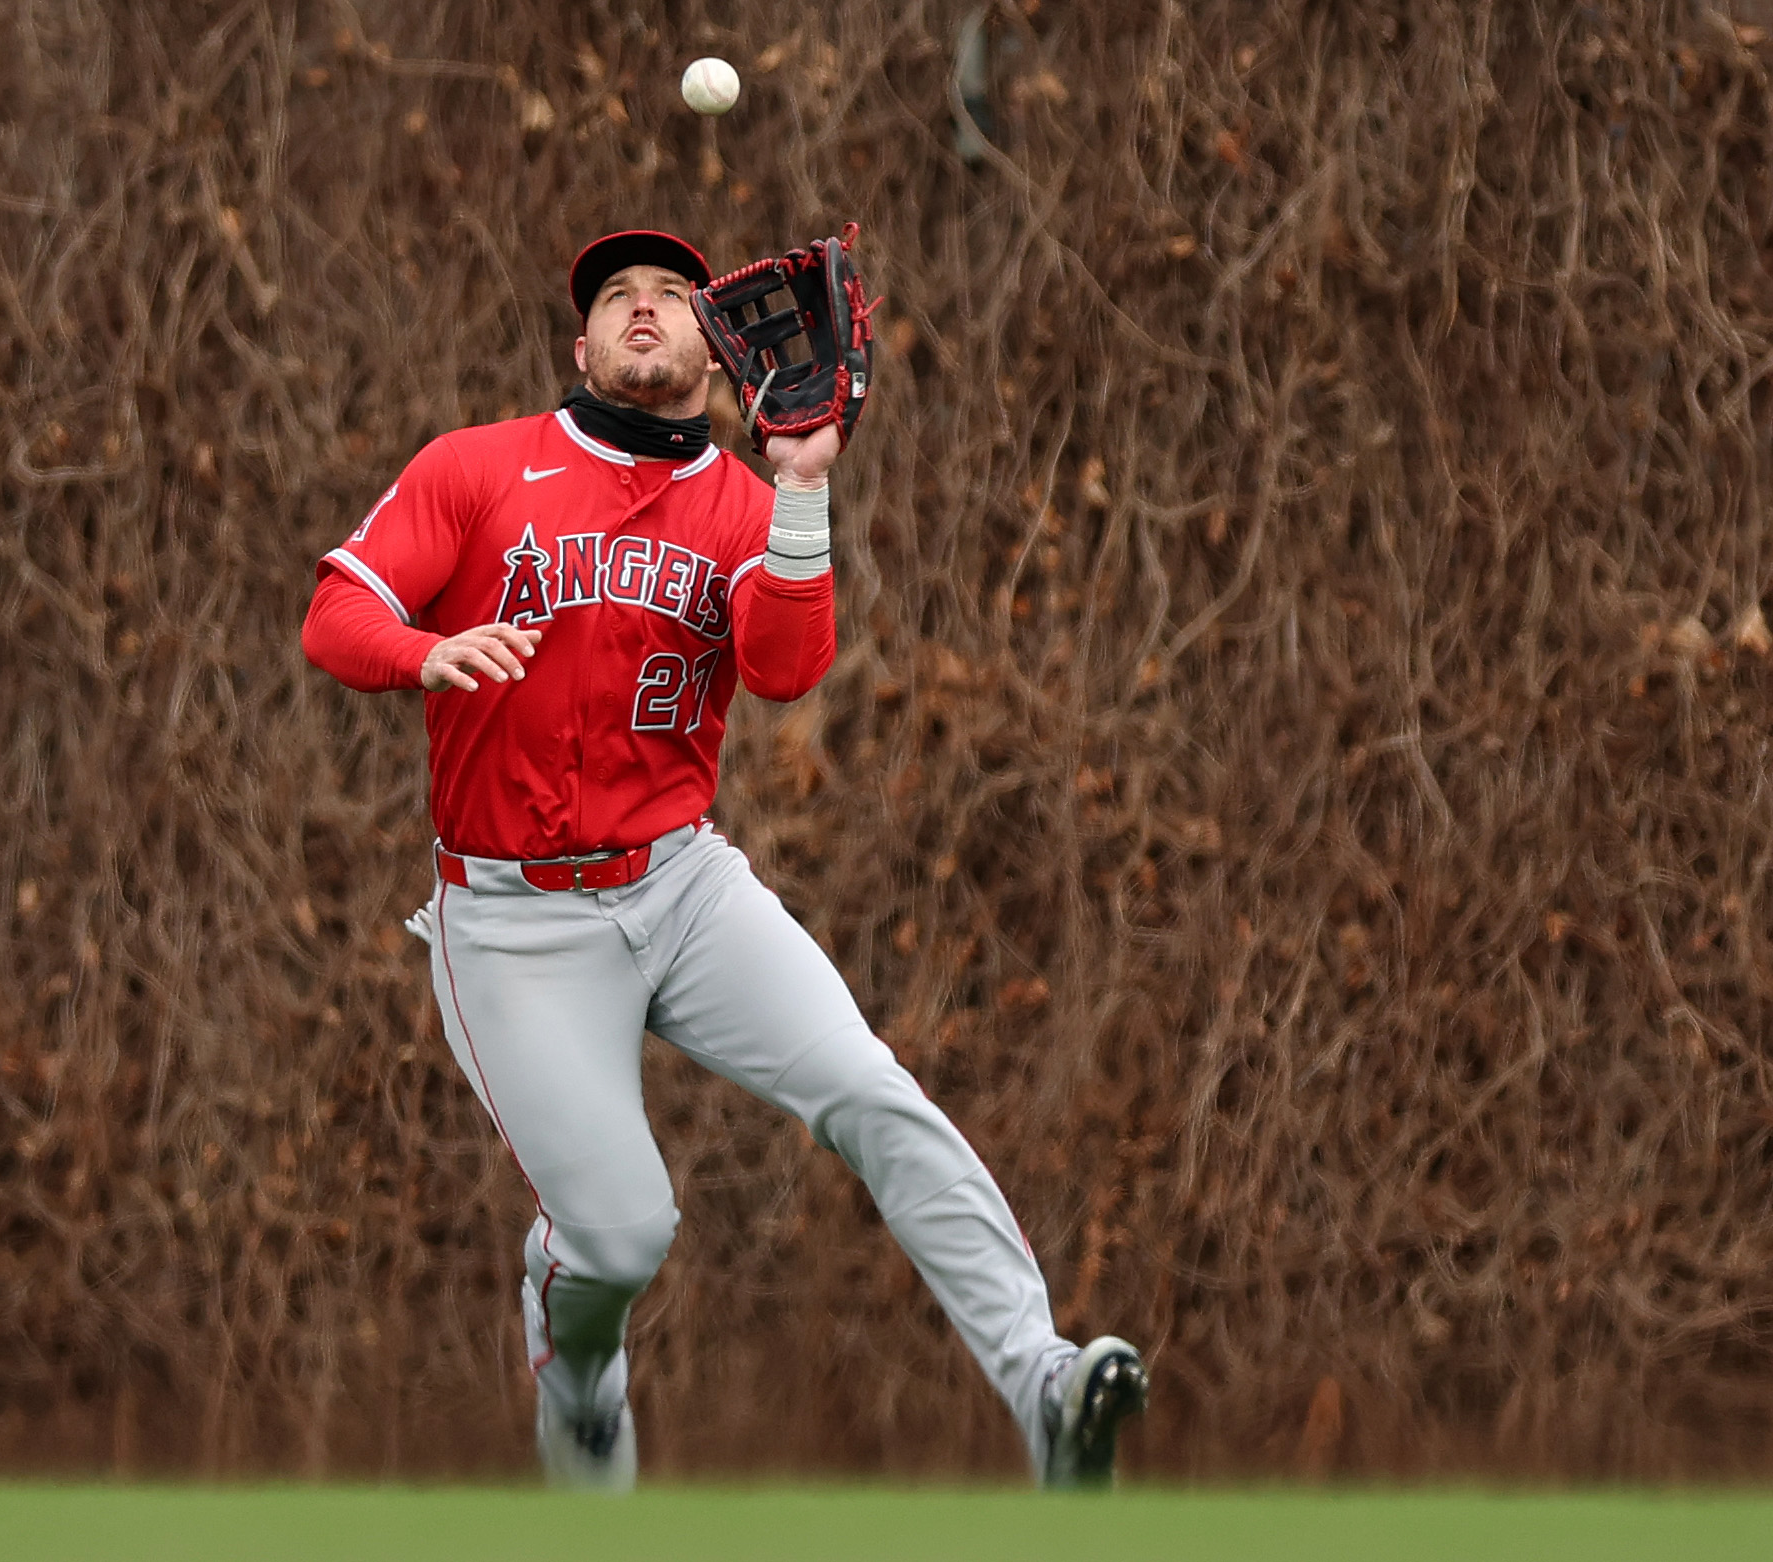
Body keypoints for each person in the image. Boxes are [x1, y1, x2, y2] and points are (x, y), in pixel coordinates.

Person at [301, 230, 1147, 1490]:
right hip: (515, 923)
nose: (642, 308)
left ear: (718, 345)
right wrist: (422, 650)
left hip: (682, 885)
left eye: (668, 296)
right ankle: (574, 1360)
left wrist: (802, 481)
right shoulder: (479, 468)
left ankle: (1041, 1384)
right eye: (614, 297)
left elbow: (788, 667)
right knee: (624, 1233)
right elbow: (338, 610)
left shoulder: (748, 507)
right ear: (578, 345)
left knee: (871, 1092)